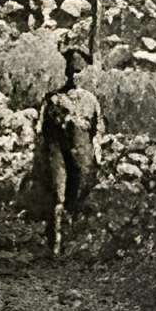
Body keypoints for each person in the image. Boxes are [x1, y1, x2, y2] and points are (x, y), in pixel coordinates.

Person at [33, 47, 104, 259]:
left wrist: (96, 152)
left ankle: (75, 245)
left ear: (86, 73)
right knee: (59, 195)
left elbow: (97, 129)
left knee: (79, 195)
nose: (75, 77)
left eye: (79, 72)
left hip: (82, 155)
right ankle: (55, 244)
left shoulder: (91, 101)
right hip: (58, 152)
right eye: (71, 72)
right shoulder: (53, 99)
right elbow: (41, 130)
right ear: (66, 73)